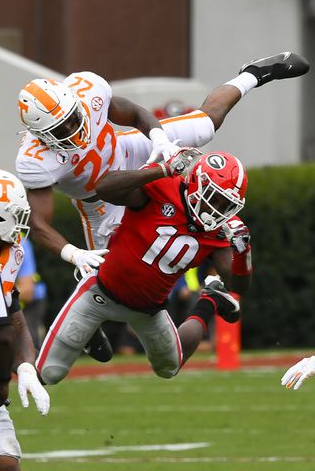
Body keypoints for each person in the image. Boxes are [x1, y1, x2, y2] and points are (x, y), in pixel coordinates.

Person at [16, 51, 309, 360]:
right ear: (38, 135)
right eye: (59, 130)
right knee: (107, 276)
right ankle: (92, 327)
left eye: (73, 118)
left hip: (131, 149)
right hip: (100, 201)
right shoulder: (35, 161)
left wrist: (158, 138)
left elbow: (132, 112)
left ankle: (252, 74)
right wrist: (72, 253)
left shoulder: (89, 91)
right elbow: (38, 224)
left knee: (205, 126)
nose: (73, 130)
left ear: (76, 102)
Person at [36, 149, 253, 384]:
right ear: (196, 182)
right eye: (214, 197)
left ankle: (211, 301)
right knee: (49, 373)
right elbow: (104, 188)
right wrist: (162, 169)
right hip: (99, 291)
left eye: (226, 204)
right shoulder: (164, 185)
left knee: (168, 367)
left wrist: (243, 253)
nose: (216, 208)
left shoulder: (223, 230)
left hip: (150, 309)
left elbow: (236, 285)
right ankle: (91, 334)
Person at [0, 169, 50, 470]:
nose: (21, 224)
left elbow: (13, 314)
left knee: (5, 462)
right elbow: (3, 336)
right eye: (15, 215)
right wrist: (4, 379)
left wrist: (26, 365)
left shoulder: (5, 255)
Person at [16, 237, 47, 350]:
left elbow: (27, 292)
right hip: (8, 300)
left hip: (30, 303)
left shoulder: (20, 243)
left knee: (29, 346)